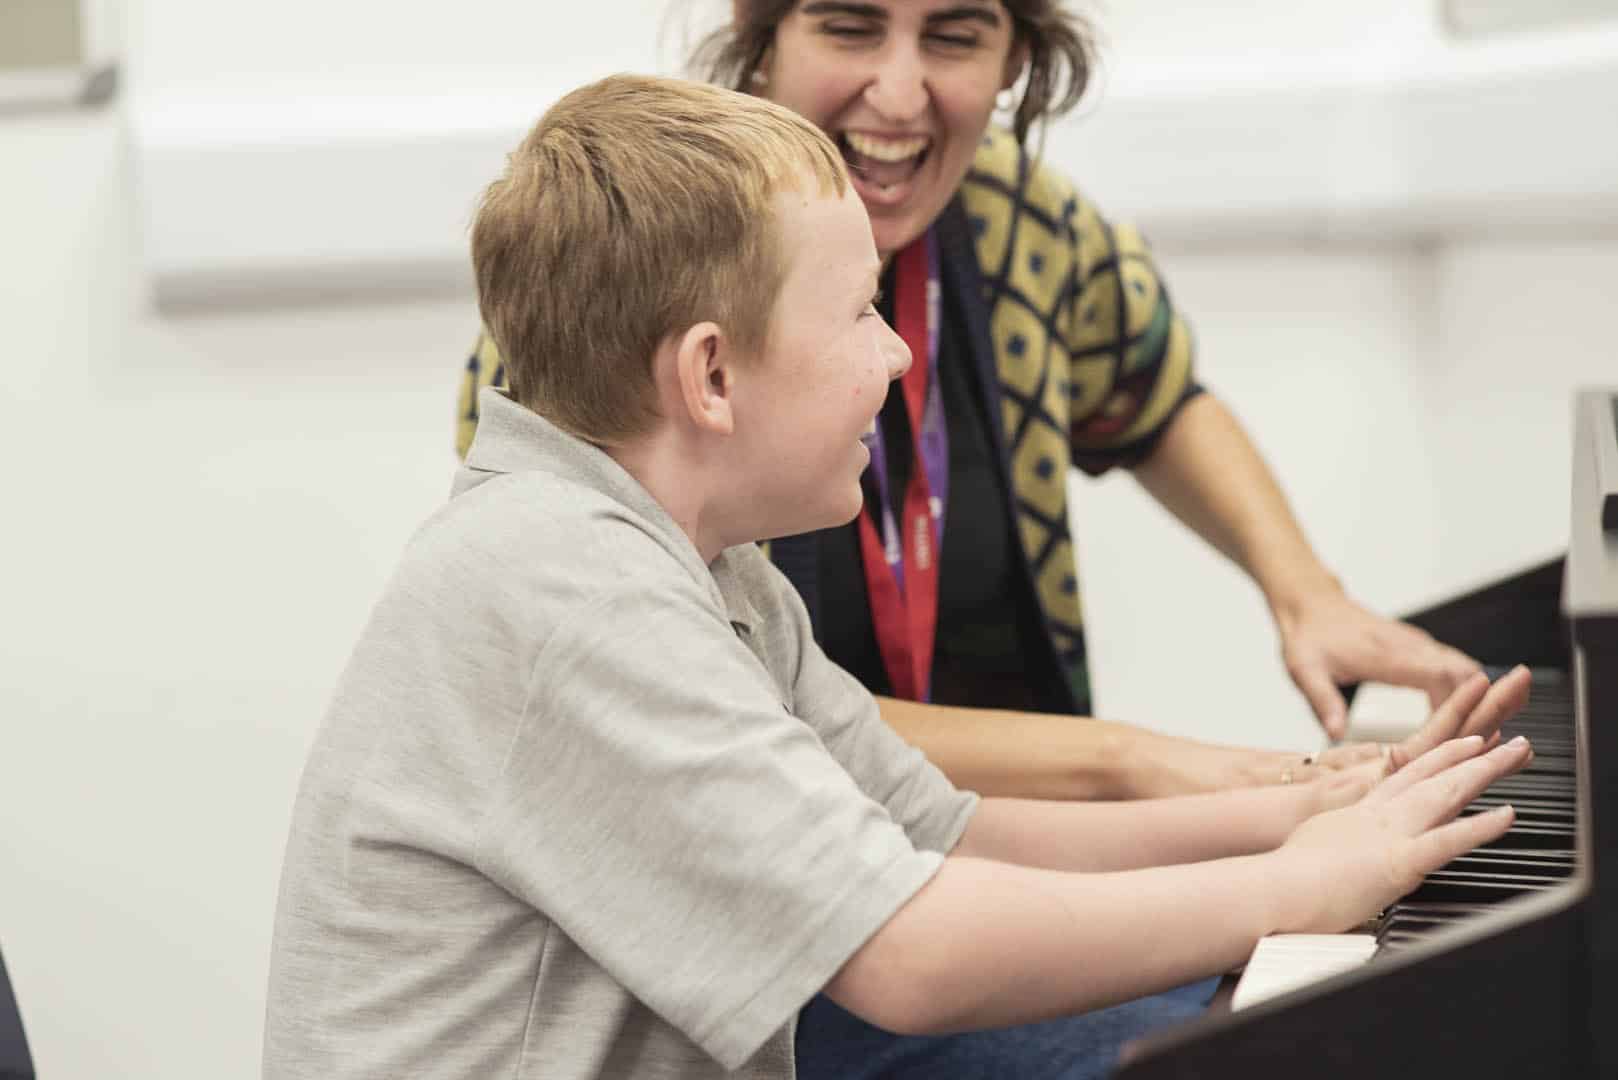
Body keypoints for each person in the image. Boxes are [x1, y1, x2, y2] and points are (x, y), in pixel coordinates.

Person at [265, 74, 1534, 1080]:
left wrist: (1293, 814)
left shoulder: (712, 571)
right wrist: (1303, 887)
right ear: (710, 378)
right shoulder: (563, 586)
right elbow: (910, 956)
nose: (892, 359)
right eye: (861, 318)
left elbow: (946, 832)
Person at [456, 0, 1482, 804]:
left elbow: (1155, 397)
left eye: (954, 35)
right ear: (756, 31)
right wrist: (1153, 770)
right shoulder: (608, 278)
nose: (899, 96)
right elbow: (740, 723)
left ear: (1015, 63)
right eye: (850, 24)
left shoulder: (1020, 219)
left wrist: (1307, 595)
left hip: (994, 848)